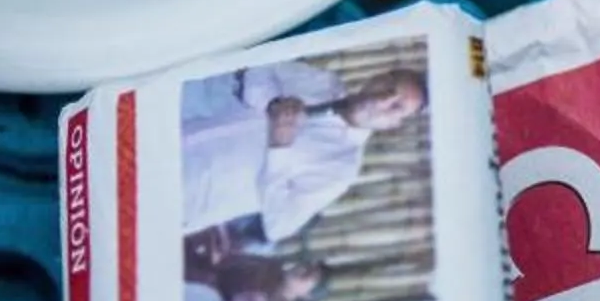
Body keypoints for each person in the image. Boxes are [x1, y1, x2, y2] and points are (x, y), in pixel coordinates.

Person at [180, 60, 427, 243]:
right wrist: (273, 102)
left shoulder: (341, 168)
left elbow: (279, 225)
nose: (381, 101)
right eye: (389, 86)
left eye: (397, 107)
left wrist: (280, 146)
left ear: (394, 125)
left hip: (188, 193)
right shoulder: (323, 82)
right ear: (377, 75)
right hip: (182, 131)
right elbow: (261, 64)